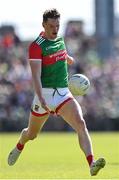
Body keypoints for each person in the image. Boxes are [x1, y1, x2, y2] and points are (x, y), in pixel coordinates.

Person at [8, 8, 106, 176]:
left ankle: (91, 163)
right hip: (43, 96)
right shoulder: (36, 46)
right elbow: (36, 76)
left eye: (58, 26)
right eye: (51, 26)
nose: (55, 29)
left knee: (81, 124)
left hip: (63, 94)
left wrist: (68, 58)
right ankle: (19, 145)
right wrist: (40, 98)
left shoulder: (60, 39)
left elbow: (61, 53)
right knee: (31, 134)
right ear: (44, 25)